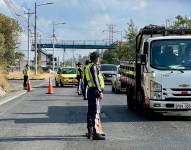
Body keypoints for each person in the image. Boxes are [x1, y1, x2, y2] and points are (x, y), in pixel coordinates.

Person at [86, 52, 105, 140]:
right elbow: (96, 79)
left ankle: (90, 132)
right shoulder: (93, 67)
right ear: (96, 58)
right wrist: (100, 91)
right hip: (95, 91)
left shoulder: (88, 67)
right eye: (98, 58)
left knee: (90, 112)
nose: (99, 59)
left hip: (90, 90)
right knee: (95, 112)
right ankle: (95, 133)